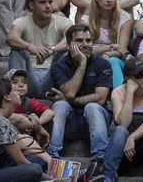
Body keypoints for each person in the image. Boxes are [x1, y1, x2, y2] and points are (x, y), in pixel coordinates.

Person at [46, 25, 113, 180]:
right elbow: (69, 92)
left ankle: (99, 161)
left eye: (88, 40)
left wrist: (69, 99)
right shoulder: (59, 67)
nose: (85, 44)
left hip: (95, 119)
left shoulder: (103, 64)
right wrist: (82, 64)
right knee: (60, 105)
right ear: (69, 45)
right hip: (71, 123)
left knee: (91, 107)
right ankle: (52, 158)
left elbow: (100, 98)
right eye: (79, 41)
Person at [96, 57, 143, 182]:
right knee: (119, 130)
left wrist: (132, 137)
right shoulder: (118, 92)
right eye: (140, 74)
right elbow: (122, 123)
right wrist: (129, 92)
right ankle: (108, 175)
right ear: (128, 79)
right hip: (124, 149)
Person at [7, 0, 73, 98]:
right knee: (16, 50)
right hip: (27, 80)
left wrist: (52, 50)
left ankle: (64, 94)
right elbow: (11, 38)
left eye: (50, 2)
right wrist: (31, 47)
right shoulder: (22, 21)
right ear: (31, 5)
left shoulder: (63, 21)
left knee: (66, 50)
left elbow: (71, 38)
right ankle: (16, 95)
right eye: (42, 2)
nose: (48, 6)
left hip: (53, 79)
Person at [79, 0, 133, 88]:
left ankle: (119, 98)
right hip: (93, 61)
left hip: (118, 61)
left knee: (112, 61)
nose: (109, 0)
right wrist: (113, 46)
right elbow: (84, 49)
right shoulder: (86, 20)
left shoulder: (124, 18)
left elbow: (122, 51)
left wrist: (108, 54)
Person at [6, 69, 54, 144]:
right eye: (15, 82)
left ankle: (46, 147)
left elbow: (50, 113)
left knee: (48, 122)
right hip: (11, 139)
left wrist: (37, 124)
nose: (21, 85)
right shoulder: (5, 103)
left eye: (24, 82)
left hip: (28, 136)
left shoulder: (28, 102)